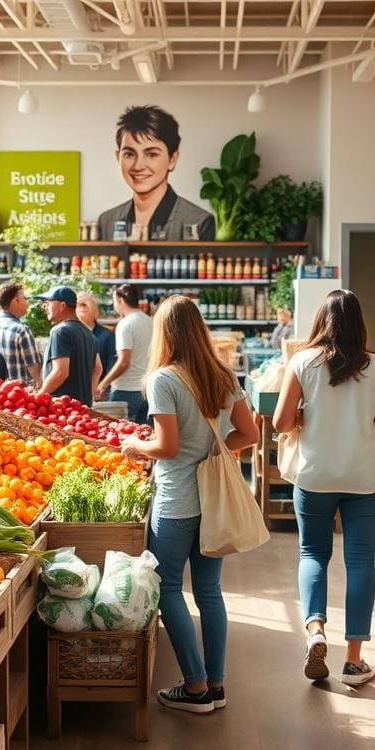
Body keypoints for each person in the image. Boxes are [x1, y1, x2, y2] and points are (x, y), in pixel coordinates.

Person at [120, 296, 258, 714]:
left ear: (164, 334)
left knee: (165, 590)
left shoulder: (164, 379)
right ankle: (216, 684)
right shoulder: (222, 375)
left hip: (178, 502)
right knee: (210, 592)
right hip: (213, 503)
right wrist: (214, 453)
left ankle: (195, 687)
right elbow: (248, 434)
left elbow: (166, 445)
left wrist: (134, 444)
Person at [272, 289, 375, 688]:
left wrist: (305, 417)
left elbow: (279, 422)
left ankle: (315, 632)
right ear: (358, 324)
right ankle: (354, 661)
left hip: (314, 477)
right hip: (364, 480)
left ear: (321, 322)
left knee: (313, 552)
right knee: (360, 561)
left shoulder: (302, 362)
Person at [98, 105, 215, 242]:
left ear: (172, 159)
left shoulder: (199, 222)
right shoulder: (107, 222)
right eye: (129, 154)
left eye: (151, 154)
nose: (138, 166)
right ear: (118, 157)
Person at [96, 284, 153, 424]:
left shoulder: (125, 324)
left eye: (114, 301)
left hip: (125, 390)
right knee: (143, 437)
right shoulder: (150, 321)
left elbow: (124, 362)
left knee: (116, 435)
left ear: (121, 300)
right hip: (147, 390)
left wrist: (103, 385)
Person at [36, 286, 101, 406]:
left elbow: (61, 372)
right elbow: (98, 368)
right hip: (81, 409)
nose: (44, 306)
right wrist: (87, 398)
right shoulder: (89, 334)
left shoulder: (60, 331)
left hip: (61, 409)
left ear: (62, 306)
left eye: (48, 302)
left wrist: (39, 396)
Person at [0, 282, 43, 386]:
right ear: (15, 301)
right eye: (25, 298)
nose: (27, 302)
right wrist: (40, 384)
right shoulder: (21, 330)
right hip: (21, 394)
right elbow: (34, 368)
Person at [75, 292, 116, 385]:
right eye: (79, 305)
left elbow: (111, 363)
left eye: (85, 305)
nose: (82, 308)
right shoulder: (70, 335)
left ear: (96, 311)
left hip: (99, 389)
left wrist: (103, 387)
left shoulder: (107, 335)